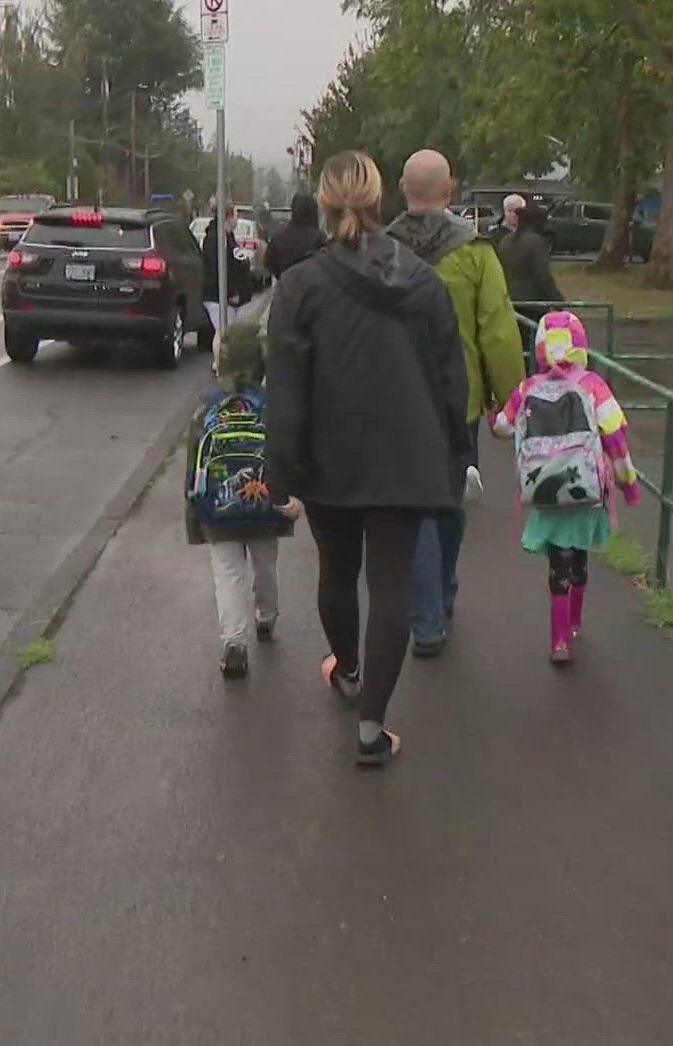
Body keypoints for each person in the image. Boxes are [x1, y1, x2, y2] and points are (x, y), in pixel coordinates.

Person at [264, 150, 470, 767]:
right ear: (380, 199)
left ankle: (348, 671)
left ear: (324, 204)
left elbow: (287, 388)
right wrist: (455, 456)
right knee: (390, 585)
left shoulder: (301, 284)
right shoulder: (423, 281)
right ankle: (371, 728)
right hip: (407, 458)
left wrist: (282, 470)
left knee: (336, 569)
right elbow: (449, 379)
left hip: (331, 458)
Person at [386, 149, 525, 658]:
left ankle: (425, 619)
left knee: (413, 507)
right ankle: (440, 595)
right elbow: (499, 331)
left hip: (398, 398)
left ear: (403, 188)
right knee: (448, 498)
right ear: (450, 192)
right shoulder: (476, 253)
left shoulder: (383, 250)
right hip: (456, 400)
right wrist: (510, 401)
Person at [491, 310, 640, 665]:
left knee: (557, 563)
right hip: (585, 488)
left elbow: (501, 426)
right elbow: (615, 435)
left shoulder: (529, 388)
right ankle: (574, 622)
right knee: (580, 557)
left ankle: (559, 640)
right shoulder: (593, 386)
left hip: (544, 489)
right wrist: (627, 482)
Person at [185, 302, 296, 679]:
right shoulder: (273, 406)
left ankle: (234, 642)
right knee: (265, 564)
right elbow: (285, 455)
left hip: (218, 512)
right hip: (265, 506)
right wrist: (287, 500)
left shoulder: (206, 410)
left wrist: (194, 518)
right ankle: (266, 616)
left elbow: (193, 467)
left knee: (228, 574)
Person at [497, 201, 565, 375]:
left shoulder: (506, 241)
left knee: (516, 351)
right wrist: (558, 301)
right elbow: (543, 275)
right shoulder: (536, 242)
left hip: (509, 303)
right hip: (532, 305)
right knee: (533, 350)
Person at [200, 205, 253, 334]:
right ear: (228, 217)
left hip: (228, 298)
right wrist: (229, 293)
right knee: (223, 335)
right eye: (236, 216)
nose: (237, 220)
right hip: (219, 298)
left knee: (227, 334)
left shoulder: (227, 237)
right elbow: (218, 268)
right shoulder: (217, 239)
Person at [264, 192, 325, 282]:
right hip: (312, 289)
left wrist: (282, 276)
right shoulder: (320, 239)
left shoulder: (279, 238)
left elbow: (269, 263)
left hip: (286, 288)